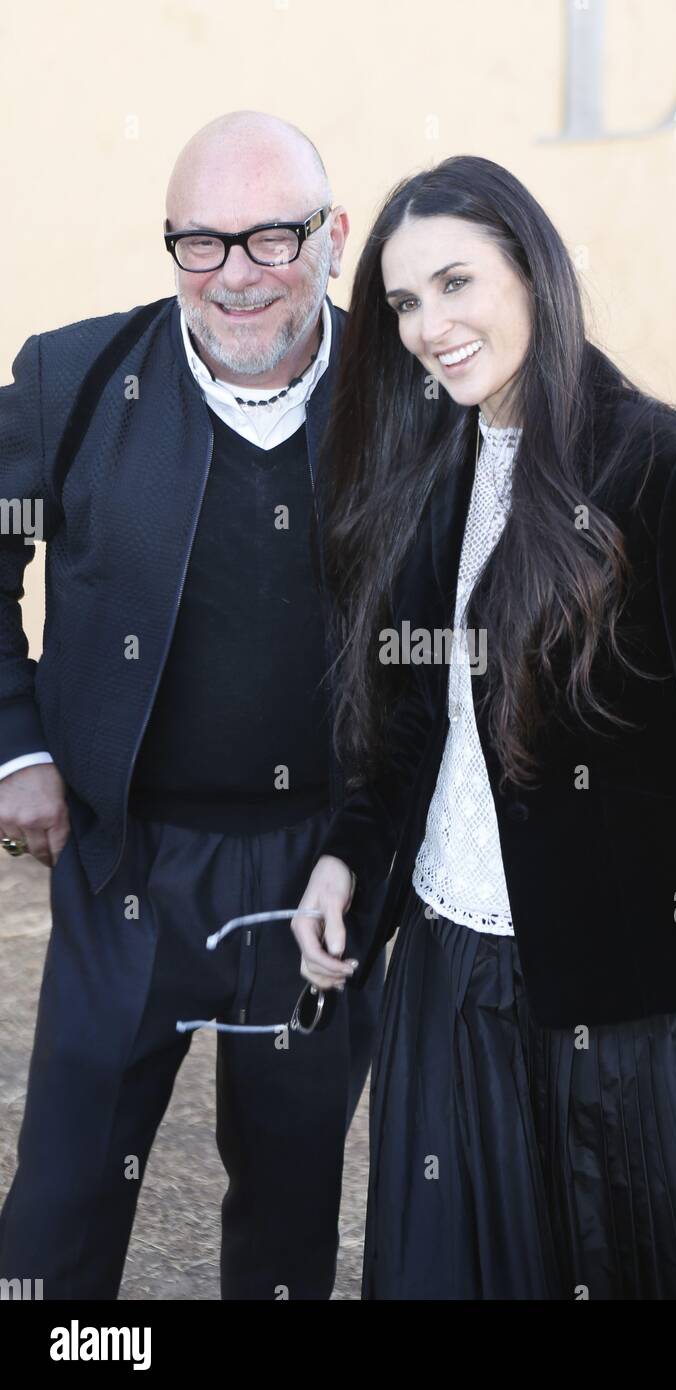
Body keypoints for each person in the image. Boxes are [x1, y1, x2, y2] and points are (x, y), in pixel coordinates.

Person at [291, 154, 676, 1300]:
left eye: (455, 284)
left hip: (611, 996)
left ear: (532, 270)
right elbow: (417, 721)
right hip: (447, 972)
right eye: (403, 303)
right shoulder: (435, 465)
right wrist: (348, 855)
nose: (428, 327)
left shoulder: (673, 473)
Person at [0, 110, 383, 1300]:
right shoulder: (71, 378)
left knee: (286, 1202)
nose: (237, 275)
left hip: (322, 867)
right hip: (130, 866)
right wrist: (14, 747)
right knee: (57, 1212)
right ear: (170, 248)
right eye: (201, 244)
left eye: (273, 238)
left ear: (334, 235)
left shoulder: (410, 396)